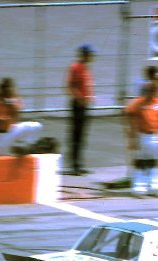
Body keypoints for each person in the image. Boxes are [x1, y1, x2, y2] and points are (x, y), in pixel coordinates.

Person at [125, 82, 158, 197]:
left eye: (155, 89)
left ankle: (156, 186)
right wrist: (132, 138)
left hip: (157, 135)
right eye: (150, 90)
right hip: (142, 135)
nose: (153, 92)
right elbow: (130, 116)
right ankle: (139, 186)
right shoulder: (138, 103)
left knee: (156, 161)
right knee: (141, 161)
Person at [66, 44, 96, 176]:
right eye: (90, 54)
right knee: (76, 136)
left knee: (82, 136)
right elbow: (70, 86)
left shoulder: (85, 68)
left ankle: (79, 163)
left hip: (84, 105)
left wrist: (89, 97)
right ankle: (74, 165)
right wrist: (80, 99)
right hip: (78, 105)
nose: (92, 57)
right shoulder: (76, 67)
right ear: (84, 54)